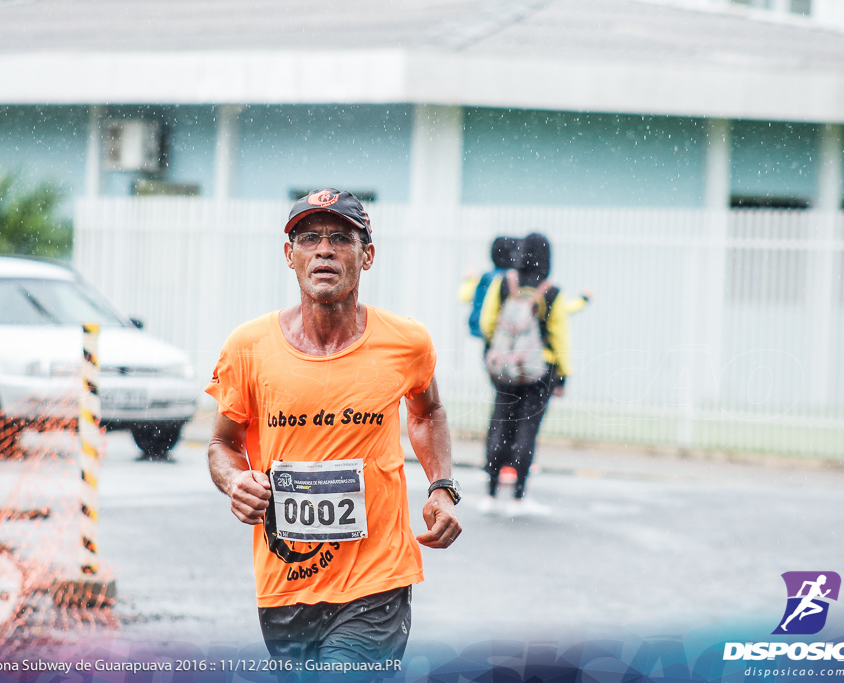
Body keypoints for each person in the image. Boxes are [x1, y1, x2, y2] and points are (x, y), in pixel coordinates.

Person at [206, 188, 462, 670]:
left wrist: (442, 487)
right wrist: (236, 482)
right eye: (309, 238)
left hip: (377, 579)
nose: (324, 249)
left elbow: (427, 413)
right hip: (285, 582)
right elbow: (223, 443)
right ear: (290, 255)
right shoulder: (248, 346)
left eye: (341, 238)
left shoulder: (406, 342)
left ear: (367, 255)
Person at [478, 232, 591, 517]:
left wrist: (503, 351)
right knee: (527, 430)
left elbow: (487, 323)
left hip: (505, 370)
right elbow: (559, 335)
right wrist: (564, 373)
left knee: (500, 425)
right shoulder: (551, 291)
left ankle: (491, 495)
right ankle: (518, 498)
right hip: (541, 370)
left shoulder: (504, 284)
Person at [457, 236, 520, 338]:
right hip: (502, 333)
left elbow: (464, 296)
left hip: (481, 331)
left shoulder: (486, 277)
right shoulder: (514, 279)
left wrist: (469, 280)